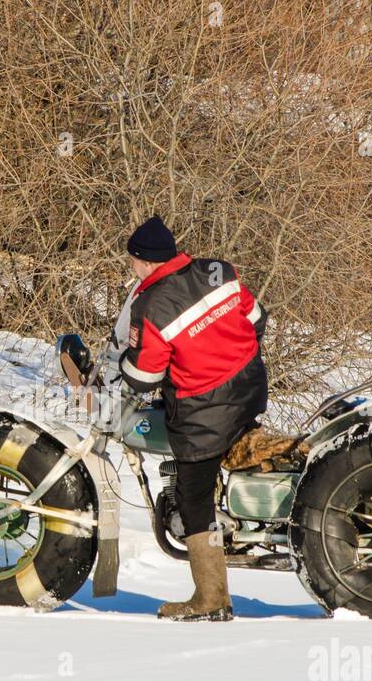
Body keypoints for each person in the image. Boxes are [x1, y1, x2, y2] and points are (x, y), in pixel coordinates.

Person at [113, 215, 269, 621]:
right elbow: (257, 320)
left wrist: (124, 364)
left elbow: (145, 378)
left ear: (146, 262)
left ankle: (211, 599)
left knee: (193, 496)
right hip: (249, 387)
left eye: (132, 261)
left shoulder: (152, 304)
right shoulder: (217, 270)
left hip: (205, 411)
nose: (131, 267)